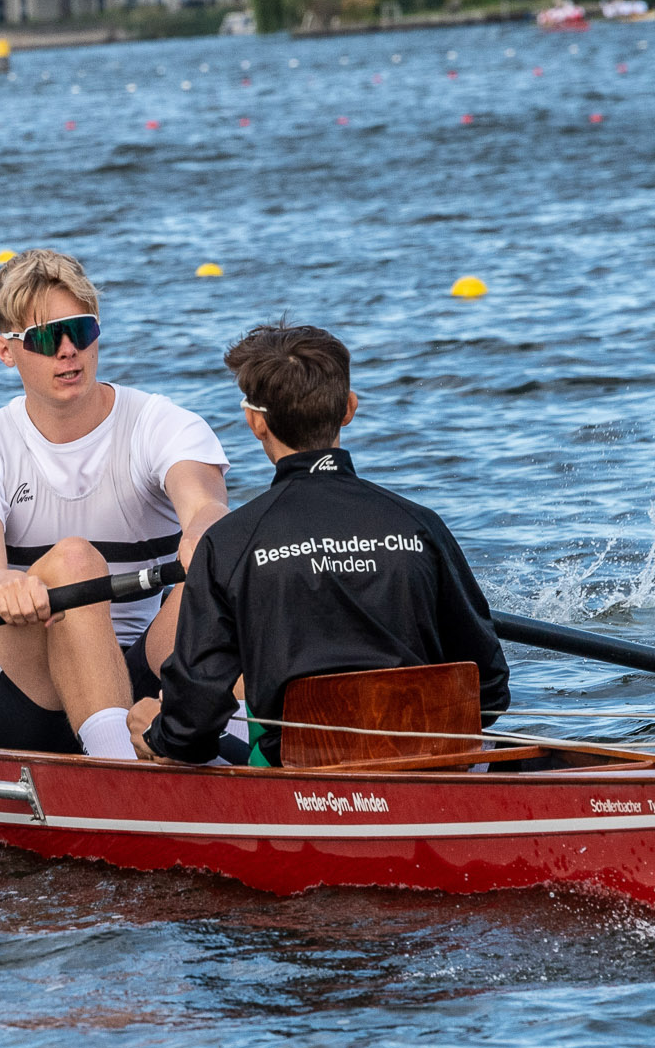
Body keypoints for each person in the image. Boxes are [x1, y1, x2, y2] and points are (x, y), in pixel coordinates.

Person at [132, 323, 510, 765]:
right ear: (348, 409)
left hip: (302, 778)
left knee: (149, 724)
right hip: (432, 765)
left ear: (256, 421)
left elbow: (191, 728)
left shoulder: (230, 543)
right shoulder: (421, 525)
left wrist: (158, 734)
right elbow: (490, 688)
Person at [0, 249, 230, 757]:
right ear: (6, 351)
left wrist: (203, 532)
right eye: (47, 337)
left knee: (224, 568)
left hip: (137, 665)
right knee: (73, 561)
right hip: (22, 683)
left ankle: (257, 741)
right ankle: (122, 768)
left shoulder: (161, 423)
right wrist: (8, 584)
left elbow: (203, 504)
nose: (69, 350)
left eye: (83, 330)